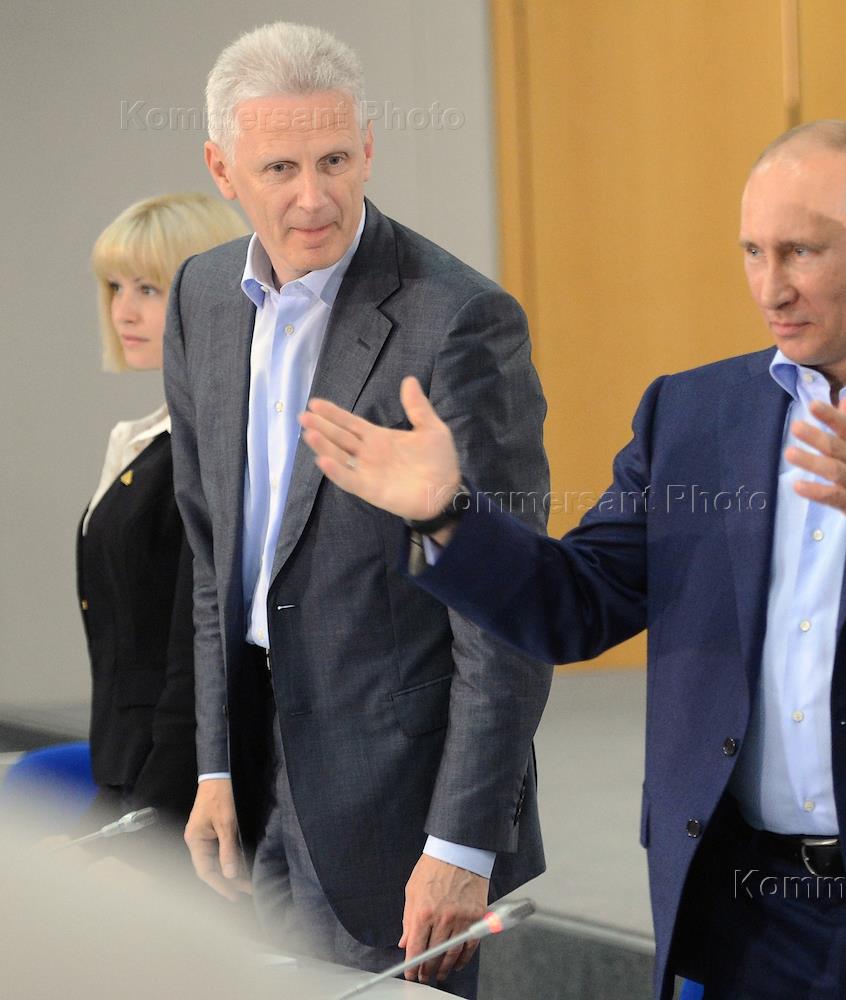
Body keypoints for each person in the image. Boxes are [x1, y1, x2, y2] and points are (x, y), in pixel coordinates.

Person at [300, 121, 846, 1000]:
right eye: (754, 252)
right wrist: (447, 514)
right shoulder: (693, 414)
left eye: (803, 251)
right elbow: (576, 607)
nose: (772, 287)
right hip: (747, 918)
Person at [162, 22, 551, 996]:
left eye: (335, 160)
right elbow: (215, 557)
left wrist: (461, 840)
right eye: (280, 167)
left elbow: (507, 606)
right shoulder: (203, 295)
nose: (314, 196)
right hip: (256, 776)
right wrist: (216, 766)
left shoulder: (457, 319)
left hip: (398, 801)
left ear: (368, 148)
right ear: (221, 169)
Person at [79, 193, 247, 857]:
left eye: (148, 289)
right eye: (114, 287)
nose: (123, 310)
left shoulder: (210, 444)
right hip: (126, 778)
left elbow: (198, 658)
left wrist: (143, 829)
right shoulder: (143, 439)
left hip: (178, 797)